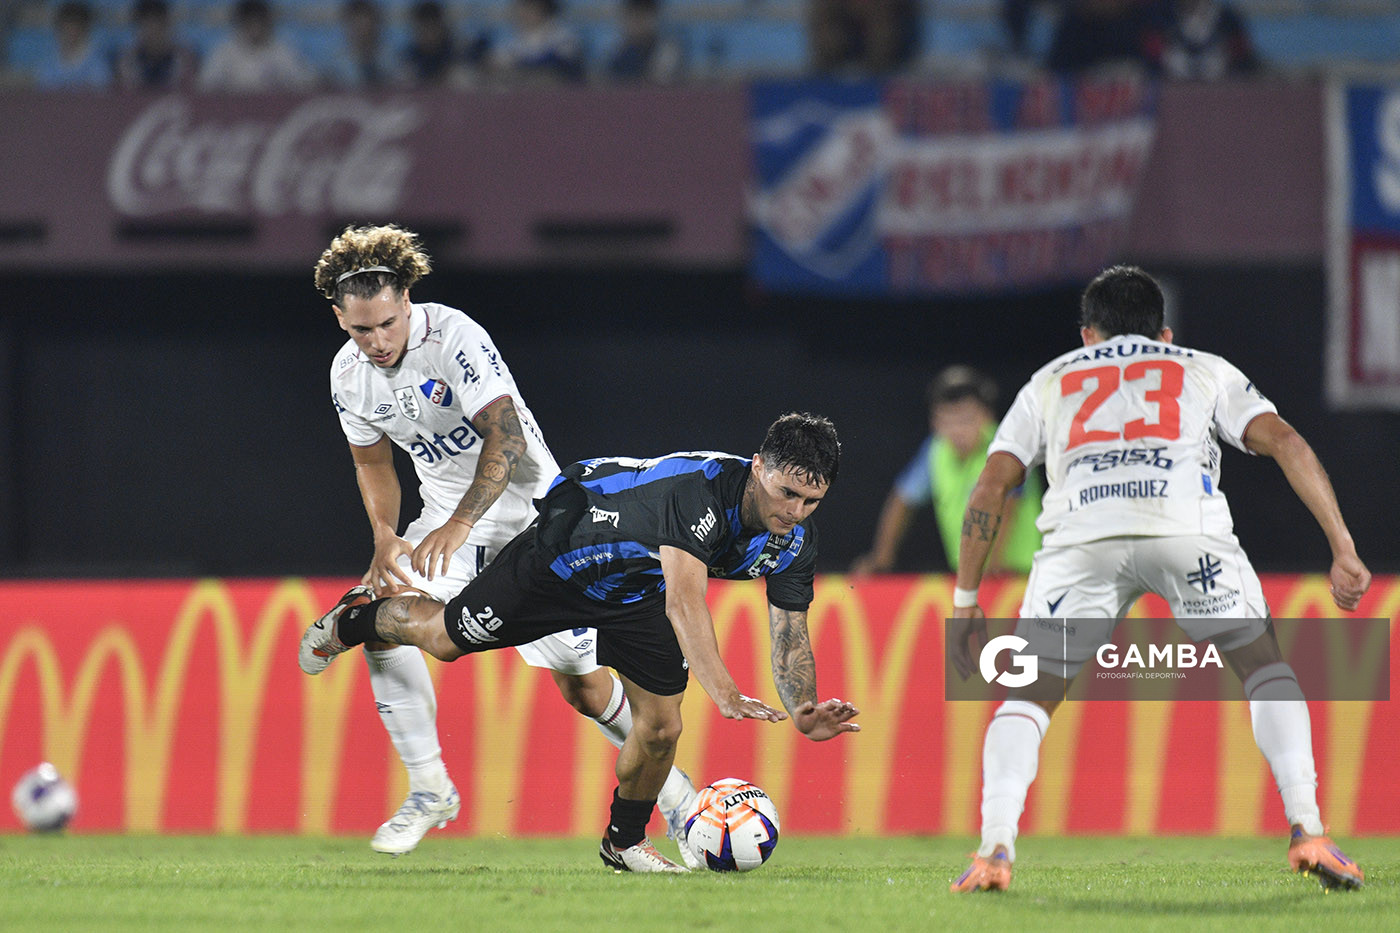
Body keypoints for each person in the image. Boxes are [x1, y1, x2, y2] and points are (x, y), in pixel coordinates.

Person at [947, 265, 1369, 892]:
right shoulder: (1203, 367)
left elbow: (992, 485)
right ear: (1165, 334)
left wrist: (966, 599)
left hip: (1082, 541)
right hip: (1185, 529)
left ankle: (994, 851)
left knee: (1028, 698)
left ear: (1087, 335)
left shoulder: (1050, 379)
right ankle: (1308, 829)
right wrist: (1343, 546)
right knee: (1265, 669)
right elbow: (1286, 441)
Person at [300, 413, 861, 872]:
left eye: (811, 503)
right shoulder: (704, 491)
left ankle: (623, 843)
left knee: (663, 725)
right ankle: (354, 620)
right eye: (787, 494)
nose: (794, 514)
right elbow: (685, 602)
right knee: (447, 638)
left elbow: (790, 632)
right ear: (758, 467)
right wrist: (726, 691)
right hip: (568, 549)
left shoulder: (794, 541)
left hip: (635, 588)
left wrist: (803, 710)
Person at [310, 224, 700, 861]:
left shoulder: (455, 336)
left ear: (407, 299)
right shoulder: (349, 376)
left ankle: (680, 801)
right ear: (339, 317)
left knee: (585, 687)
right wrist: (385, 535)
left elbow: (507, 439)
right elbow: (373, 463)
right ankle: (430, 786)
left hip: (539, 527)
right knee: (382, 620)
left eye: (386, 324)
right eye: (361, 329)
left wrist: (459, 523)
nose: (377, 342)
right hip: (443, 530)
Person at [852, 366, 1041, 576]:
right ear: (934, 422)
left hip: (1019, 574)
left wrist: (993, 564)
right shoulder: (935, 451)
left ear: (987, 416)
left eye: (966, 419)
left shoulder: (1007, 447)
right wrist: (881, 558)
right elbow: (901, 500)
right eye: (947, 421)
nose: (957, 430)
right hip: (972, 576)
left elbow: (1008, 507)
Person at [198, 0, 316, 92]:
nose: (255, 30)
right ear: (240, 25)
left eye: (259, 24)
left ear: (267, 24)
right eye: (250, 24)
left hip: (272, 114)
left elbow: (304, 82)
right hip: (232, 116)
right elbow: (204, 85)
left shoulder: (281, 50)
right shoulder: (224, 51)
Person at [491, 0, 584, 85]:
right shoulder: (515, 41)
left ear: (543, 9)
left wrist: (522, 62)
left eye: (530, 8)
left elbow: (561, 61)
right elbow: (498, 61)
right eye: (522, 8)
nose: (523, 14)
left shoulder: (563, 35)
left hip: (560, 93)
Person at [115, 0, 198, 90]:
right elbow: (125, 94)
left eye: (157, 24)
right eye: (146, 25)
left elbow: (189, 93)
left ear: (167, 25)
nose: (152, 30)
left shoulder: (184, 58)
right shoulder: (127, 60)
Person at [32, 1, 112, 89]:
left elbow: (100, 94)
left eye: (75, 29)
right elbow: (43, 92)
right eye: (66, 29)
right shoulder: (48, 63)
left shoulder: (97, 64)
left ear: (84, 30)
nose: (70, 33)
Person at [605, 0, 684, 83]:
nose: (637, 23)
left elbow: (658, 83)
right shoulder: (616, 51)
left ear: (653, 18)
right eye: (633, 16)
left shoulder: (667, 51)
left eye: (642, 17)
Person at [324, 0, 394, 88]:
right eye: (356, 23)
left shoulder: (391, 59)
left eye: (366, 23)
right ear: (347, 25)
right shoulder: (335, 64)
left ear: (376, 25)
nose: (362, 29)